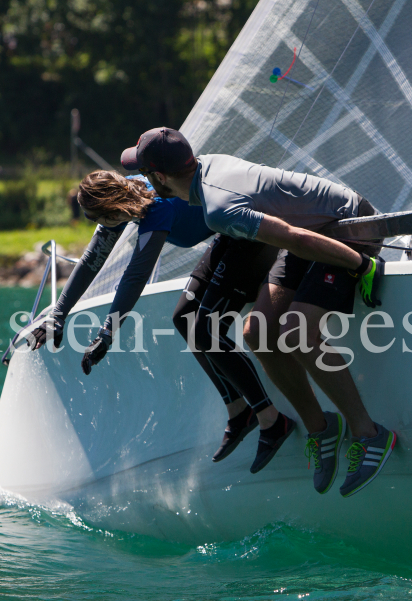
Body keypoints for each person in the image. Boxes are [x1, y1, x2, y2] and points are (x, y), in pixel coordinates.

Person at [121, 127, 397, 498]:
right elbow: (291, 237)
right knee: (256, 331)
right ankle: (321, 428)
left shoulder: (217, 208)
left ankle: (370, 434)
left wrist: (362, 266)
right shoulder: (207, 167)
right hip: (310, 234)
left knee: (297, 332)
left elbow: (294, 238)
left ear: (157, 177)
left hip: (349, 226)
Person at [27, 170, 285, 464]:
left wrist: (107, 333)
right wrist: (57, 316)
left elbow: (135, 276)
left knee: (204, 330)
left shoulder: (156, 205)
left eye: (93, 216)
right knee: (184, 318)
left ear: (110, 208)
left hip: (251, 235)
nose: (93, 223)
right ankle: (240, 411)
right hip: (228, 236)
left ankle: (271, 419)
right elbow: (91, 260)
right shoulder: (125, 198)